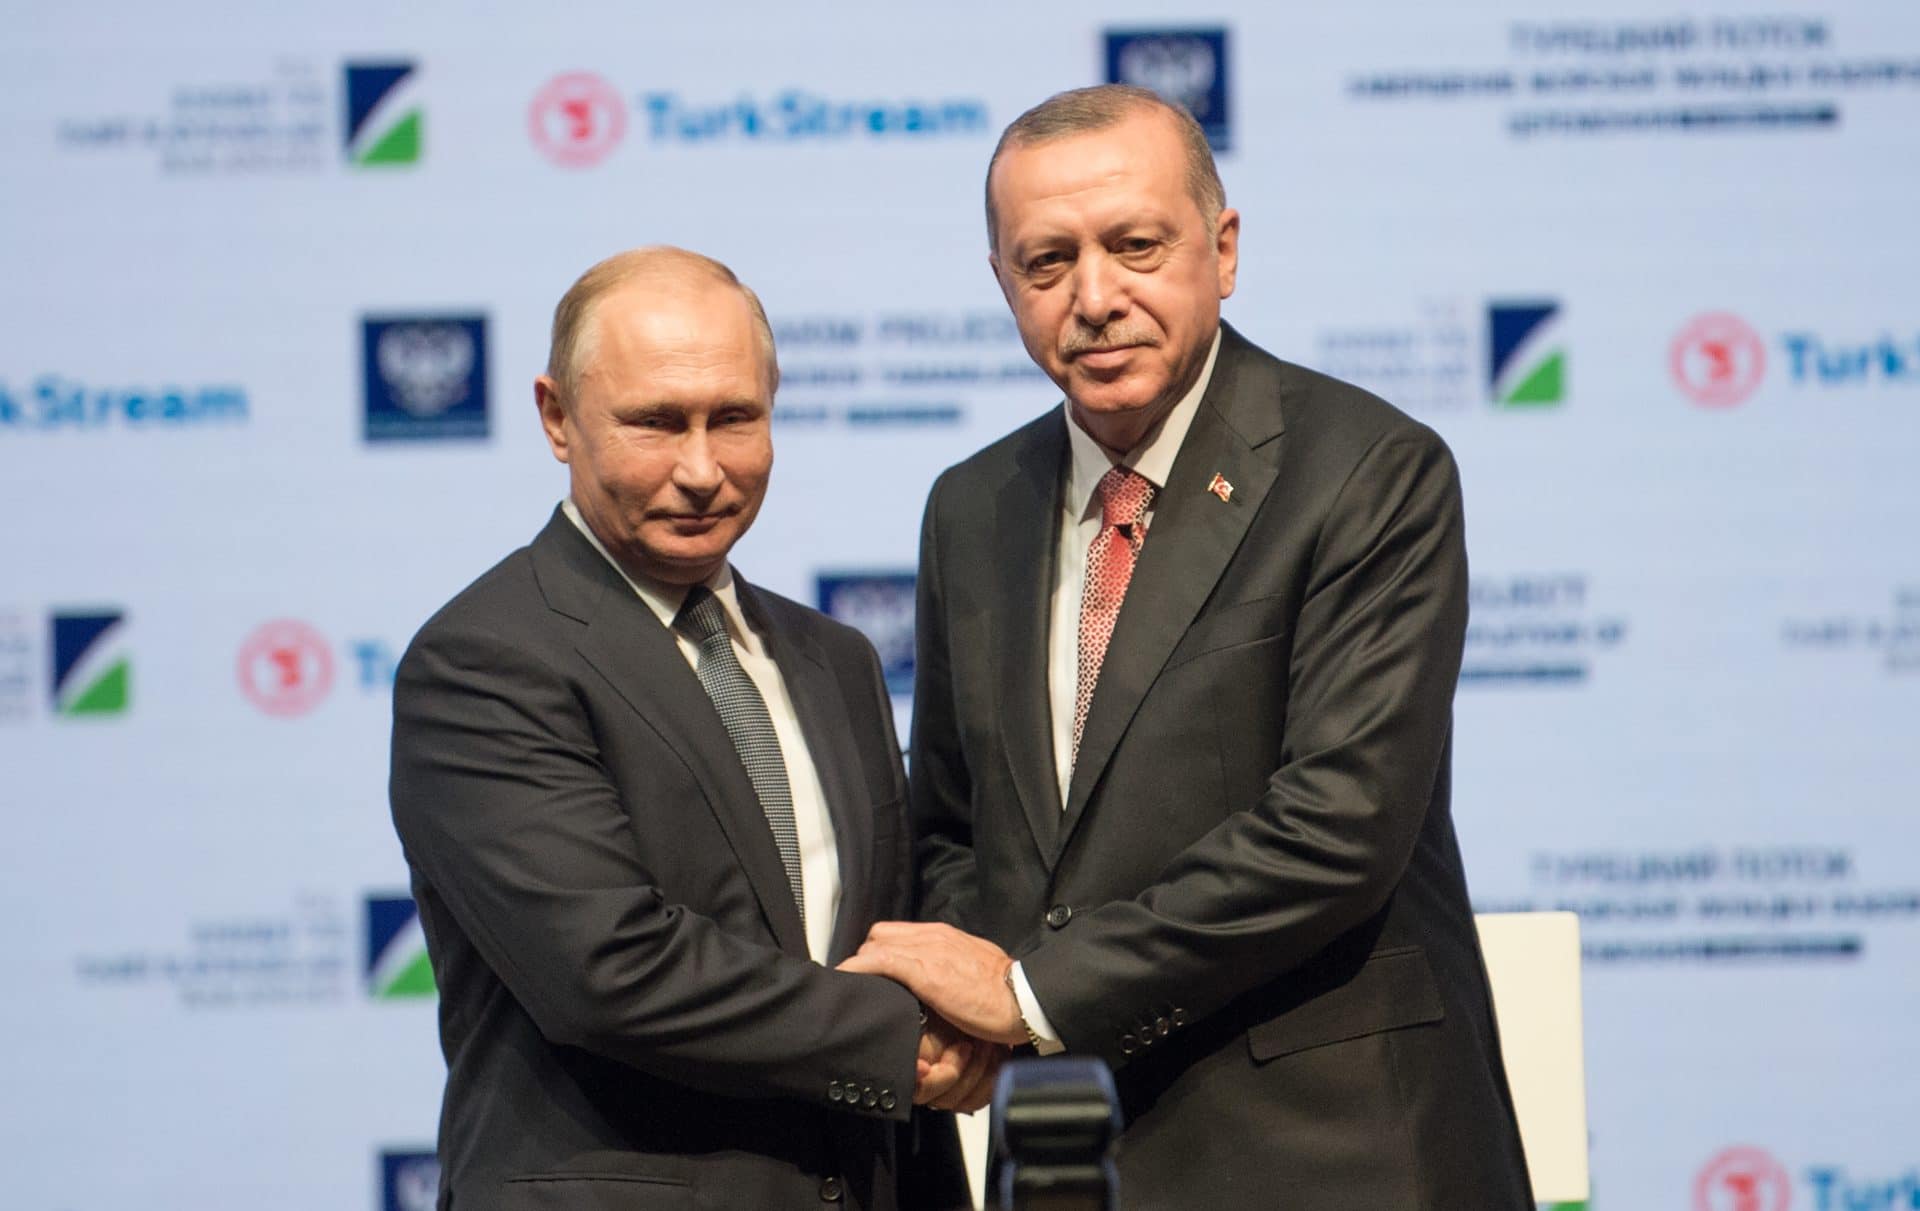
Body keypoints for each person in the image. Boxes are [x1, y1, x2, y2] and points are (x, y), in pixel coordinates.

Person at [839, 86, 1535, 1208]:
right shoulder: (971, 506)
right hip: (1070, 1152)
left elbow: (1338, 825)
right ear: (1003, 282)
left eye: (1136, 245)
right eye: (1048, 260)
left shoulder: (1367, 470)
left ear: (1224, 249)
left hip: (1334, 1154)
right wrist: (971, 995)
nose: (1094, 297)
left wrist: (1030, 997)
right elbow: (957, 826)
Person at [388, 247, 981, 1211]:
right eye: (656, 422)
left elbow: (887, 929)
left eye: (734, 418)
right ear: (556, 417)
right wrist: (904, 1037)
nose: (702, 469)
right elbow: (609, 968)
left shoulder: (835, 657)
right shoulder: (483, 658)